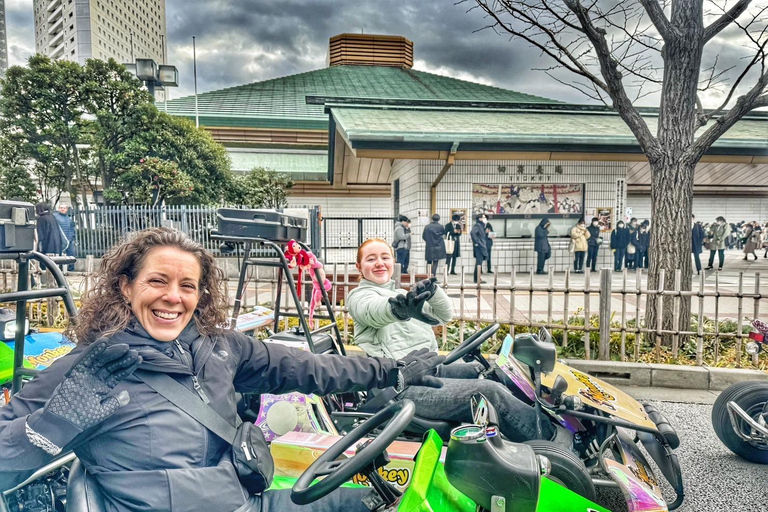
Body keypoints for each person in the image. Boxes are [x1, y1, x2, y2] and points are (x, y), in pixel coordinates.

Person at [0, 227, 443, 512]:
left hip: (247, 500)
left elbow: (309, 368)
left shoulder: (219, 348)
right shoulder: (90, 368)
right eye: (157, 281)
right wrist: (51, 424)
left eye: (187, 286)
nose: (173, 297)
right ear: (125, 286)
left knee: (379, 501)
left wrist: (392, 371)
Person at [347, 238, 558, 444]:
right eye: (371, 259)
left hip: (426, 369)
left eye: (385, 257)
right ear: (359, 266)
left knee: (493, 373)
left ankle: (546, 420)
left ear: (393, 262)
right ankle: (554, 444)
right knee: (489, 394)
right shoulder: (359, 297)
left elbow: (443, 316)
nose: (379, 263)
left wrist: (434, 293)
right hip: (400, 386)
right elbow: (372, 311)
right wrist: (397, 310)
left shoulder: (402, 294)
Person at [35, 202, 63, 286]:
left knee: (44, 264)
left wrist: (38, 248)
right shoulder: (52, 217)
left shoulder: (41, 219)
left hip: (47, 246)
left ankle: (45, 282)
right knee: (54, 265)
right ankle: (55, 282)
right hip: (57, 245)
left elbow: (40, 235)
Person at [53, 203, 77, 272]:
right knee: (58, 256)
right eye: (61, 207)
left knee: (71, 255)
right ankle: (58, 271)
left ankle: (71, 270)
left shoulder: (68, 218)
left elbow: (72, 228)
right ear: (58, 209)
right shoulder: (55, 216)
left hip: (69, 240)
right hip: (59, 240)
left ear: (66, 209)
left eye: (64, 208)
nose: (62, 209)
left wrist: (72, 237)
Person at [470, 214, 489, 283]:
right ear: (480, 219)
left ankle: (478, 278)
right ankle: (477, 279)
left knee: (479, 263)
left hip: (481, 246)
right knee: (479, 263)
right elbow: (472, 233)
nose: (485, 219)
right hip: (479, 247)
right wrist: (476, 243)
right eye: (484, 217)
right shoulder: (477, 225)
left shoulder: (481, 226)